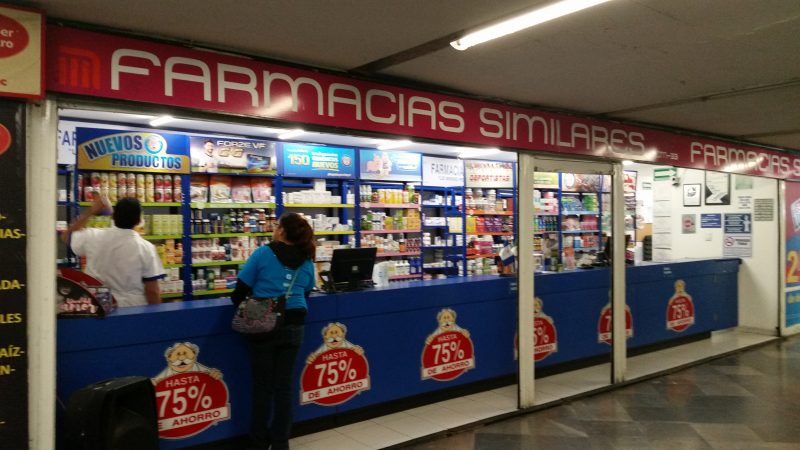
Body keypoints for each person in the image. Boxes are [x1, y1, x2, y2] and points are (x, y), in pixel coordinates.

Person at [231, 212, 316, 450]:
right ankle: (280, 442)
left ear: (281, 231)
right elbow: (307, 291)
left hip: (263, 326)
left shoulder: (263, 253)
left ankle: (258, 442)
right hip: (294, 325)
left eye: (277, 225)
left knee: (262, 387)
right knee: (284, 386)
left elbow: (238, 292)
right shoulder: (307, 260)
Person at [61, 196, 165, 307]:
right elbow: (152, 290)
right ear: (139, 221)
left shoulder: (93, 236)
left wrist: (91, 211)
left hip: (98, 306)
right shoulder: (146, 248)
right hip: (132, 309)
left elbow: (66, 236)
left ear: (114, 217)